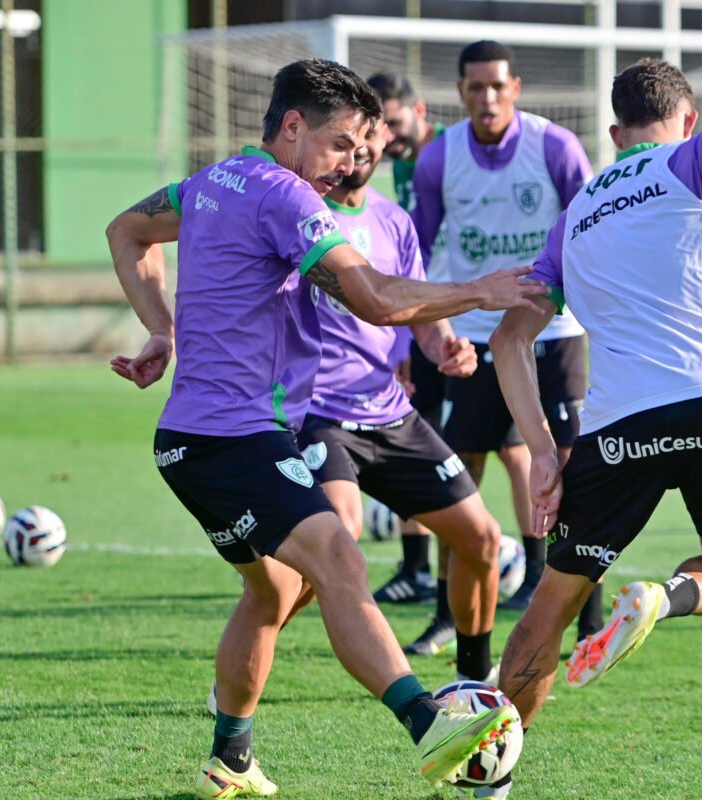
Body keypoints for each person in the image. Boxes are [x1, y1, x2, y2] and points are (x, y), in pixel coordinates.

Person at [105, 59, 536, 798]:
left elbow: (128, 229)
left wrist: (161, 331)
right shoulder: (283, 194)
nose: (349, 164)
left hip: (194, 439)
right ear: (294, 126)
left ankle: (230, 758)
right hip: (232, 439)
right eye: (340, 144)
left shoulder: (214, 182)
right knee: (339, 559)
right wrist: (479, 290)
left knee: (271, 596)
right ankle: (432, 726)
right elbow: (371, 298)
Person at [492, 57, 702, 737]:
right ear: (685, 120)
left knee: (549, 606)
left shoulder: (575, 215)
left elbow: (508, 341)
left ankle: (492, 776)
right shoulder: (688, 159)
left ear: (616, 133)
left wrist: (543, 453)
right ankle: (660, 597)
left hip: (616, 425)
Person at [295, 118, 503, 683]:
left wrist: (445, 346)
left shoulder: (394, 220)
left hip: (389, 413)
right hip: (320, 416)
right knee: (338, 537)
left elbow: (415, 311)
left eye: (370, 137)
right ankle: (252, 645)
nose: (359, 150)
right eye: (347, 139)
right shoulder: (300, 212)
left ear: (386, 143)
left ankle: (474, 683)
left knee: (481, 538)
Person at [410, 40, 604, 639]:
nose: (487, 97)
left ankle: (587, 620)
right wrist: (426, 332)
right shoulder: (439, 158)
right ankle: (448, 614)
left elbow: (592, 228)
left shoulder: (555, 146)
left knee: (569, 468)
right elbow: (413, 252)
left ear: (515, 88)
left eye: (498, 85)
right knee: (457, 471)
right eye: (475, 87)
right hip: (472, 338)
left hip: (555, 332)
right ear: (462, 92)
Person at [362, 72, 448, 623]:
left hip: (452, 317)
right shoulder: (405, 162)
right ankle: (417, 567)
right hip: (423, 316)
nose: (388, 136)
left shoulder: (444, 155)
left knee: (501, 450)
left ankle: (534, 569)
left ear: (419, 109)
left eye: (394, 122)